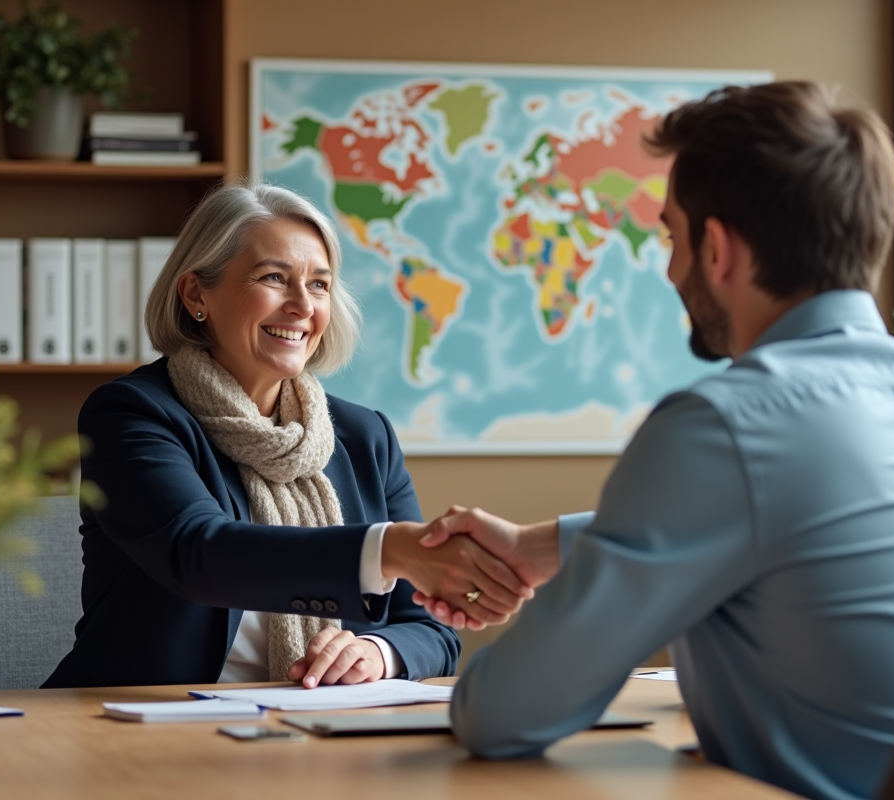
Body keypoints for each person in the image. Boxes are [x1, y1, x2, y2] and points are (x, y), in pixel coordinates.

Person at [414, 82, 894, 800]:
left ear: (717, 247)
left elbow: (500, 716)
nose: (669, 267)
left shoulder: (725, 424)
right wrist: (542, 546)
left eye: (671, 235)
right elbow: (803, 529)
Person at [44, 181, 530, 690]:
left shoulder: (366, 437)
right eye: (275, 277)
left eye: (319, 284)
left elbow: (432, 628)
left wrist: (377, 652)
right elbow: (199, 553)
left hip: (317, 731)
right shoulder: (131, 414)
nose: (303, 305)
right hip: (143, 731)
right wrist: (389, 550)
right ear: (195, 294)